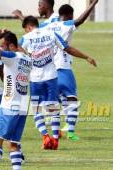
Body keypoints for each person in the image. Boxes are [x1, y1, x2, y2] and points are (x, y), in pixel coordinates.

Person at [19, 16, 96, 150]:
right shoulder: (51, 34)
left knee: (36, 109)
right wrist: (86, 57)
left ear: (28, 27)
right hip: (51, 77)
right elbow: (67, 49)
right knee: (53, 109)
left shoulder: (26, 38)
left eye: (25, 29)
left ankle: (45, 137)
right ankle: (55, 140)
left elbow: (16, 51)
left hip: (36, 80)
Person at [40, 0, 99, 140]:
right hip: (62, 67)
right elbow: (81, 20)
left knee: (55, 100)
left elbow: (31, 27)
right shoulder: (66, 25)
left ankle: (54, 132)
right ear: (68, 15)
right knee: (72, 99)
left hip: (47, 70)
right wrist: (93, 4)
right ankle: (71, 132)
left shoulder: (44, 26)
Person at [0, 23, 32, 170]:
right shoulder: (27, 58)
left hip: (9, 105)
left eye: (3, 46)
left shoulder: (12, 57)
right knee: (13, 143)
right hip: (23, 106)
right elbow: (18, 49)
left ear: (11, 47)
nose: (1, 48)